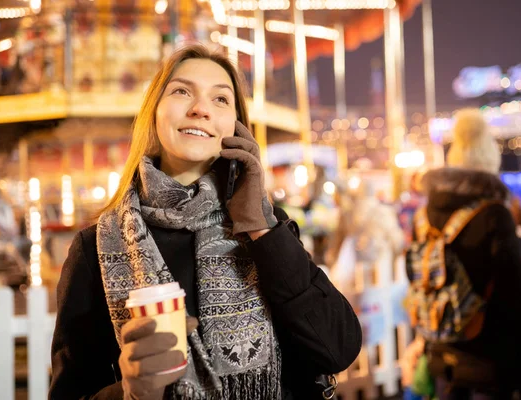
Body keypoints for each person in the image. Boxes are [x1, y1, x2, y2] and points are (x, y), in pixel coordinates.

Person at [49, 44, 362, 400]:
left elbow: (338, 348)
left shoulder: (266, 230)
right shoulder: (96, 248)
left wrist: (259, 224)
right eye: (182, 91)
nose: (200, 109)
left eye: (221, 100)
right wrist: (128, 392)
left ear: (235, 127)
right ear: (154, 112)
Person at [416, 108, 521, 399]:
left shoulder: (427, 213)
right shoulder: (493, 214)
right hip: (489, 359)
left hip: (443, 351)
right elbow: (519, 296)